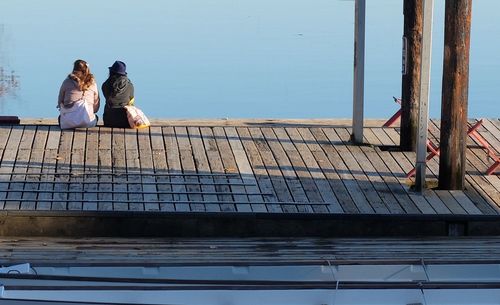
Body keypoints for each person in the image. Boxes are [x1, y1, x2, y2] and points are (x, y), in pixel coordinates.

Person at [57, 59, 100, 128]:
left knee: (60, 117)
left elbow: (60, 103)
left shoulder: (67, 82)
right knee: (96, 117)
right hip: (87, 122)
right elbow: (96, 108)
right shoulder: (93, 84)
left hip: (68, 122)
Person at [102, 60, 135, 127]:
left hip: (108, 121)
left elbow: (106, 97)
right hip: (125, 121)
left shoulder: (105, 85)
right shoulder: (130, 86)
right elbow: (131, 102)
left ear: (111, 72)